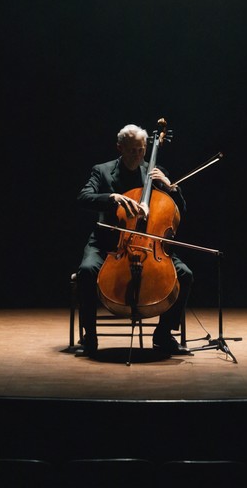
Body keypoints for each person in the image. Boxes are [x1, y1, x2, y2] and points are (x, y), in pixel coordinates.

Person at [75, 123, 193, 358]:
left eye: (141, 150)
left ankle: (163, 334)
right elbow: (83, 197)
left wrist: (171, 188)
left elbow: (179, 212)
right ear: (120, 148)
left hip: (151, 245)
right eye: (132, 151)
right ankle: (90, 335)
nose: (138, 156)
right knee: (86, 271)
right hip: (108, 244)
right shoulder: (103, 171)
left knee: (185, 275)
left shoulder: (153, 172)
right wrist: (113, 197)